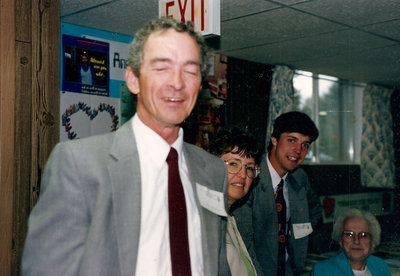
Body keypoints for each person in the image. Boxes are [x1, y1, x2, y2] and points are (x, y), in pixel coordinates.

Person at [22, 17, 231, 276]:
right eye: (161, 68)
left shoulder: (213, 171)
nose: (177, 83)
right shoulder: (80, 164)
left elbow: (217, 265)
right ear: (133, 80)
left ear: (199, 85)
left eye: (190, 70)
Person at [233, 111, 322, 276]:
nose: (298, 150)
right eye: (291, 140)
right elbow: (243, 243)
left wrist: (295, 235)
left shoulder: (300, 177)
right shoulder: (250, 175)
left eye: (305, 145)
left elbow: (315, 212)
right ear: (274, 139)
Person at [209, 127, 262, 276]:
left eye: (249, 168)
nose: (243, 174)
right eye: (233, 164)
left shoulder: (230, 218)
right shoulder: (203, 219)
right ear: (212, 165)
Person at [311, 208, 391, 276]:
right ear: (341, 241)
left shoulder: (381, 267)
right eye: (349, 234)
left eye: (363, 235)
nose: (356, 241)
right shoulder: (323, 271)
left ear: (373, 243)